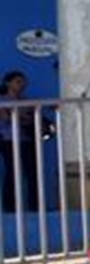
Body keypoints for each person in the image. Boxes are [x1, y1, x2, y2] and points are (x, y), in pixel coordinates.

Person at [0, 71, 49, 212]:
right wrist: (22, 116)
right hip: (8, 140)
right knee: (12, 172)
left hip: (26, 140)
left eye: (23, 82)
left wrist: (21, 116)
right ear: (8, 83)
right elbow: (6, 118)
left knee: (32, 172)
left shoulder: (25, 100)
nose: (22, 85)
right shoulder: (3, 100)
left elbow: (32, 118)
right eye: (18, 82)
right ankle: (10, 207)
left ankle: (35, 206)